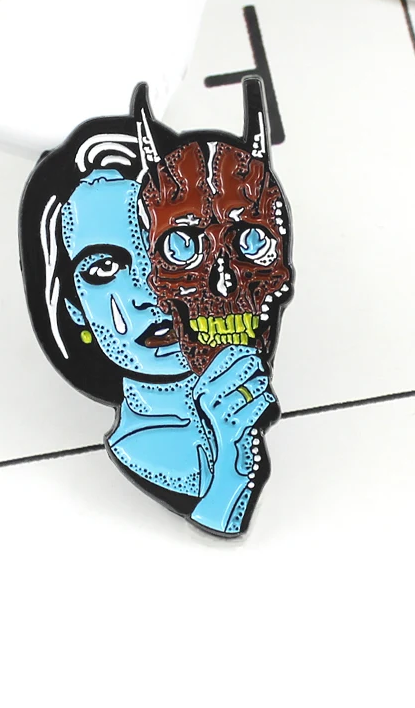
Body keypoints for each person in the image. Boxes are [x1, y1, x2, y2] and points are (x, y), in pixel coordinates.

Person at [19, 85, 282, 535]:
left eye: (171, 249)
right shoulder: (148, 455)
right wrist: (226, 483)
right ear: (72, 306)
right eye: (105, 268)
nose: (151, 290)